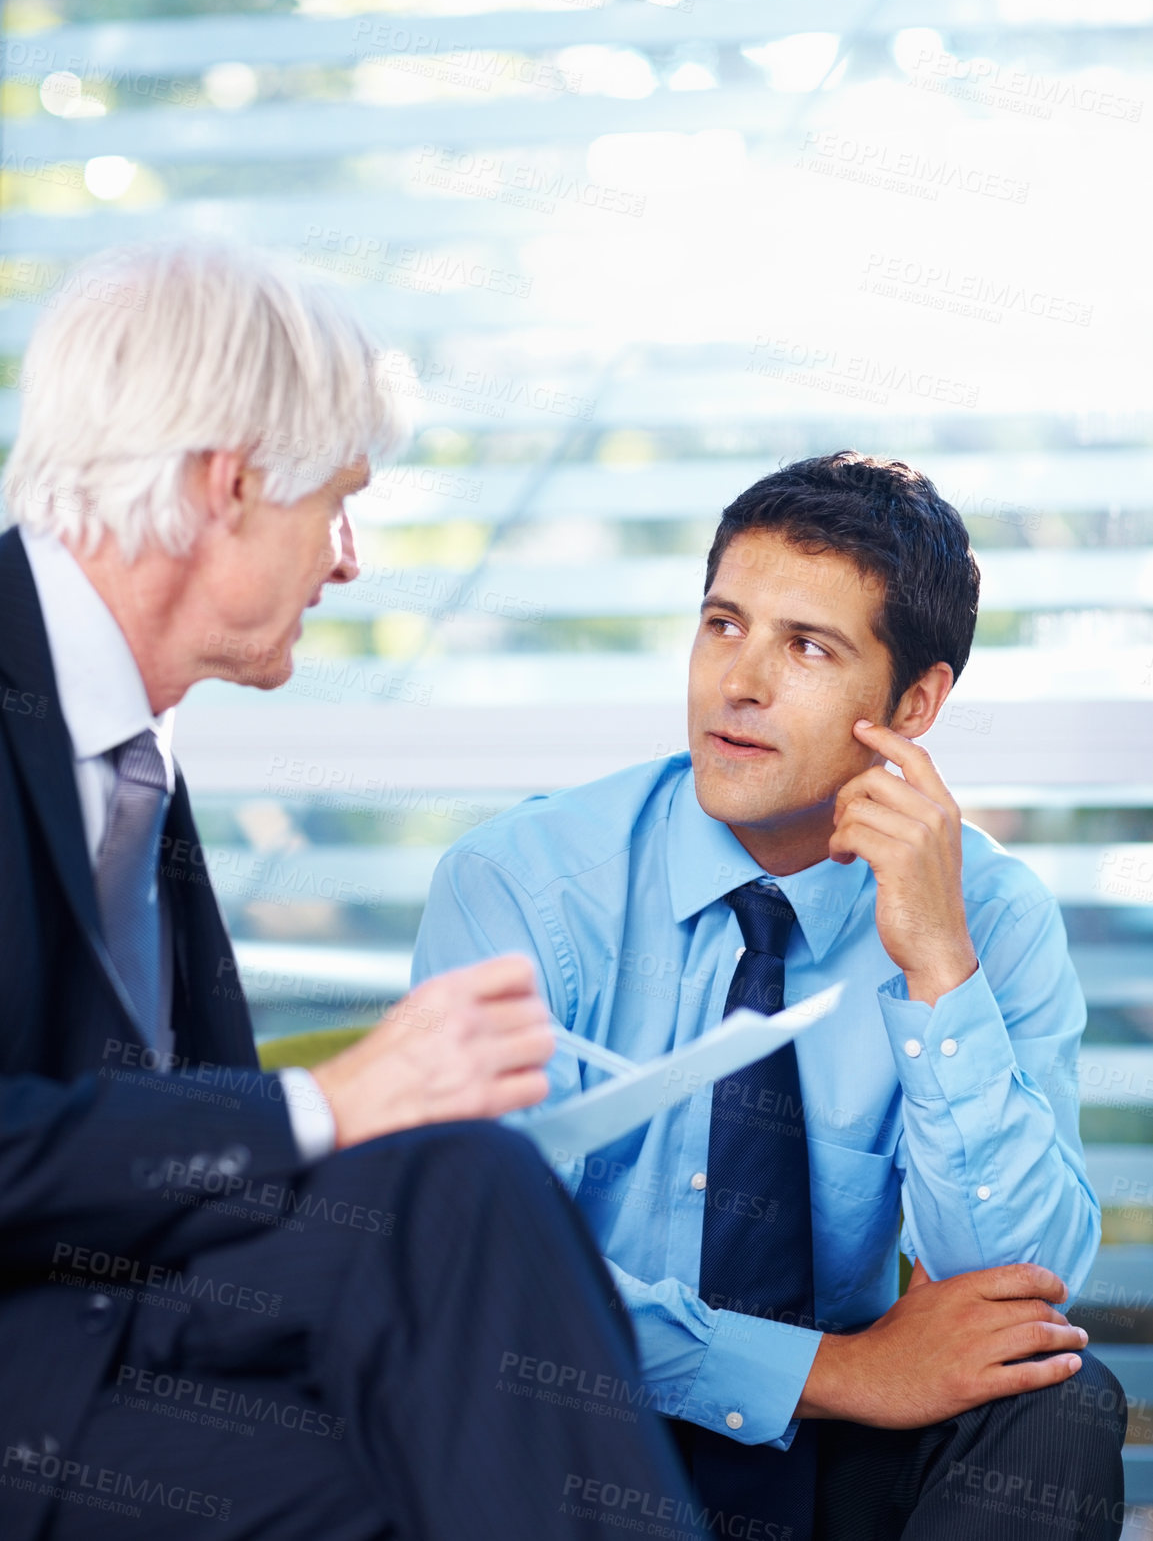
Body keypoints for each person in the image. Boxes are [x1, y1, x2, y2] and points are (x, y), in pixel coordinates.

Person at [0, 241, 690, 1541]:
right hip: (35, 1358)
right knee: (422, 1472)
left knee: (462, 1183)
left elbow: (179, 1141)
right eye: (337, 502)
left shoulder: (134, 748)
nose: (350, 560)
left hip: (134, 1312)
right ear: (233, 483)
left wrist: (377, 1117)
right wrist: (332, 1100)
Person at [414, 452, 1128, 1541]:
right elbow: (484, 1277)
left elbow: (1014, 1295)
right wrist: (836, 1371)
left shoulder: (989, 913)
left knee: (1054, 1403)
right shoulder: (521, 883)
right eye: (722, 624)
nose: (737, 682)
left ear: (914, 701)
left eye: (806, 646)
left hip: (831, 1468)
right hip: (577, 1430)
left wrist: (940, 970)